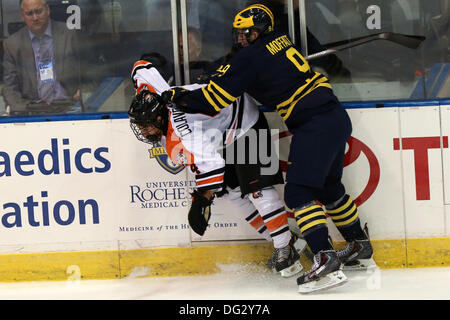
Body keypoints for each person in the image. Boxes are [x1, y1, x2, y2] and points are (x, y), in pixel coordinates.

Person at [161, 3, 375, 293]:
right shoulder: (281, 39)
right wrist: (224, 71)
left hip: (314, 124)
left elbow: (213, 101)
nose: (240, 37)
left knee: (300, 192)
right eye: (237, 33)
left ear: (259, 31)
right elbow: (240, 66)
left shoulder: (250, 57)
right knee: (329, 188)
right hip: (334, 117)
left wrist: (178, 97)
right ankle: (358, 244)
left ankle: (324, 259)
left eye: (245, 32)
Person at [128, 56, 305, 278]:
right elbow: (141, 67)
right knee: (235, 195)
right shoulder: (153, 93)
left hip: (245, 119)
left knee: (258, 191)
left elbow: (213, 167)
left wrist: (202, 200)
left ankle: (284, 248)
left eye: (146, 125)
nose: (142, 131)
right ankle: (290, 242)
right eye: (139, 126)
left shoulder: (184, 135)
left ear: (159, 117)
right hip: (224, 129)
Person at [2, 0, 81, 115]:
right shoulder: (12, 44)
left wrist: (83, 93)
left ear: (47, 10)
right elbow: (10, 88)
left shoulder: (69, 35)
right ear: (23, 16)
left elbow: (89, 71)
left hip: (70, 108)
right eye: (29, 13)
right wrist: (24, 108)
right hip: (34, 112)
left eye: (39, 11)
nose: (35, 17)